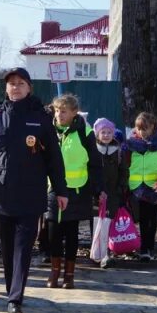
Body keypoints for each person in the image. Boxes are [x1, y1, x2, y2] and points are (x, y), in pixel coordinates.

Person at [0, 67, 68, 313]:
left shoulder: (41, 118)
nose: (15, 87)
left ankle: (15, 298)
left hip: (31, 196)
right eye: (11, 83)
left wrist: (60, 189)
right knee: (8, 250)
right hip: (1, 196)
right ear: (6, 88)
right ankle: (12, 292)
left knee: (23, 248)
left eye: (21, 83)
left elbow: (54, 159)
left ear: (29, 88)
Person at [46, 94, 103, 290]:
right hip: (53, 188)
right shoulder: (49, 129)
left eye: (64, 111)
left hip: (77, 189)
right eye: (57, 110)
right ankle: (54, 271)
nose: (59, 115)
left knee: (71, 233)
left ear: (74, 112)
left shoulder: (84, 132)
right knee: (53, 231)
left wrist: (97, 188)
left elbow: (95, 162)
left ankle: (69, 275)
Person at [123, 112, 157, 262]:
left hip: (154, 188)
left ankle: (147, 248)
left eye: (145, 128)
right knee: (139, 218)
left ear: (153, 127)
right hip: (136, 188)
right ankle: (141, 246)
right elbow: (125, 166)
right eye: (139, 128)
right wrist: (124, 184)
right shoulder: (130, 145)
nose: (141, 131)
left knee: (151, 218)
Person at [92, 117, 128, 268]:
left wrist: (120, 189)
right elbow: (90, 172)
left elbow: (124, 172)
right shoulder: (93, 151)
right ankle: (96, 253)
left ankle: (105, 254)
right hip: (96, 195)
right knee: (96, 223)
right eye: (103, 132)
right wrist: (96, 191)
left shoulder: (118, 151)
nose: (106, 135)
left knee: (107, 224)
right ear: (97, 134)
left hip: (112, 194)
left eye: (109, 132)